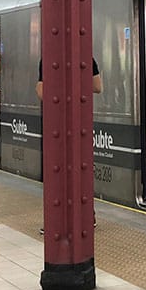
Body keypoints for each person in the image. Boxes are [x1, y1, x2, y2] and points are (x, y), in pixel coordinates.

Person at [36, 56, 102, 234]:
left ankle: (57, 219)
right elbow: (98, 87)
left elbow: (41, 93)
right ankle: (87, 215)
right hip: (81, 122)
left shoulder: (49, 58)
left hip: (56, 123)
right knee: (81, 168)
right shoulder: (88, 58)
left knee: (56, 171)